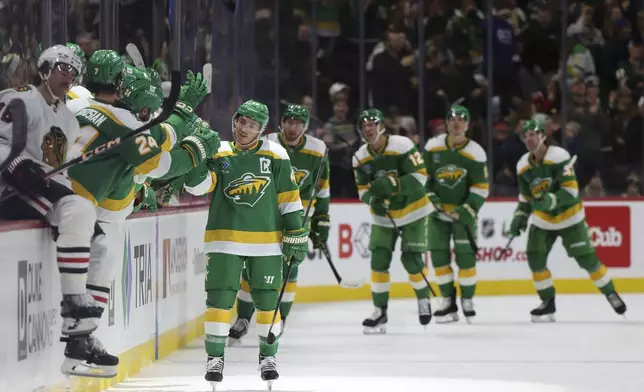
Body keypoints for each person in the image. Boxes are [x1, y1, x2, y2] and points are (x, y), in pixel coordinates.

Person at [65, 50, 220, 377]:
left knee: (103, 251)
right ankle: (78, 342)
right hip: (73, 206)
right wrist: (192, 139)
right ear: (120, 83)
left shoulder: (75, 101)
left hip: (50, 194)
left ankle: (82, 339)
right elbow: (159, 159)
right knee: (103, 255)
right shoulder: (122, 122)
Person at [182, 100, 308, 389]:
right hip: (224, 240)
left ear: (261, 130)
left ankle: (268, 357)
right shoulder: (219, 150)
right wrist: (196, 158)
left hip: (267, 243)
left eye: (252, 125)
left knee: (267, 302)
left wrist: (297, 232)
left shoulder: (275, 154)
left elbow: (289, 197)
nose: (244, 129)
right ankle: (215, 358)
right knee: (219, 300)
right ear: (234, 121)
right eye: (242, 122)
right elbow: (197, 187)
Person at [0, 44, 102, 372]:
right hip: (11, 190)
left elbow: (62, 174)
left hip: (39, 190)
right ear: (45, 69)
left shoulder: (69, 121)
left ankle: (80, 336)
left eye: (74, 71)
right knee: (79, 210)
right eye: (62, 68)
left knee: (100, 242)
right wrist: (18, 166)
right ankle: (74, 299)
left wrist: (72, 212)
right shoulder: (19, 98)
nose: (68, 76)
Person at [228, 104, 330, 344]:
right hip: (265, 216)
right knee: (250, 266)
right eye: (289, 121)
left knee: (290, 269)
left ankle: (280, 318)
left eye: (299, 123)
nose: (293, 127)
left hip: (295, 218)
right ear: (281, 122)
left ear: (305, 127)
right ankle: (243, 318)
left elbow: (322, 190)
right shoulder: (267, 143)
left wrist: (322, 220)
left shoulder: (318, 150)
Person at [506, 119, 627, 322]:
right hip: (542, 221)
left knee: (587, 260)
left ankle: (610, 292)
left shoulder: (559, 156)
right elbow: (526, 198)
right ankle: (547, 302)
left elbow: (570, 191)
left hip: (570, 218)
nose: (528, 139)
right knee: (535, 259)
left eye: (532, 135)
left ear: (542, 136)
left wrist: (551, 200)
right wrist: (519, 217)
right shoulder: (523, 165)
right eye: (524, 136)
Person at [352, 108, 432, 334]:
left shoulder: (403, 145)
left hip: (413, 210)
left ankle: (423, 299)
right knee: (378, 261)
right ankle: (379, 311)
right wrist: (372, 201)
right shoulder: (359, 156)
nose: (368, 128)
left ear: (381, 126)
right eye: (364, 125)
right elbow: (362, 190)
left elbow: (420, 177)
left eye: (372, 124)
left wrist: (395, 185)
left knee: (412, 260)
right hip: (384, 216)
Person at [423, 105, 489, 323]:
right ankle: (448, 303)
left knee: (466, 259)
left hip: (464, 216)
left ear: (467, 124)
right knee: (439, 257)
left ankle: (467, 300)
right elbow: (422, 179)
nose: (456, 123)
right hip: (437, 215)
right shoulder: (433, 147)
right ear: (446, 123)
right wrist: (432, 200)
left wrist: (465, 209)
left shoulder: (476, 152)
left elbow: (481, 187)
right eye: (452, 119)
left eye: (461, 119)